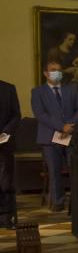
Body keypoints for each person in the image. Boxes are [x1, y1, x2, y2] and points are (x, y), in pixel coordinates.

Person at [32, 60, 78, 212]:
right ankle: (58, 202)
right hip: (49, 136)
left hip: (71, 135)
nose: (57, 72)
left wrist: (70, 125)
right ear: (46, 73)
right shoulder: (37, 92)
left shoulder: (71, 89)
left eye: (59, 70)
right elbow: (40, 114)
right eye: (53, 70)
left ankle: (77, 202)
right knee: (54, 171)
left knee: (75, 170)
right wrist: (61, 127)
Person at [0, 79, 18, 228]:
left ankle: (7, 217)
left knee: (6, 181)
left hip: (4, 142)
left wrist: (5, 132)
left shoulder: (8, 88)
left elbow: (16, 115)